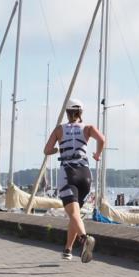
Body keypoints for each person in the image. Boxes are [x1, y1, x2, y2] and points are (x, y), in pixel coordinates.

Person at [43, 99, 105, 262]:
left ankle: (85, 239)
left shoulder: (59, 129)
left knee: (74, 213)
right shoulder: (88, 128)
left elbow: (47, 150)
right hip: (85, 175)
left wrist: (56, 149)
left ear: (67, 112)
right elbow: (102, 139)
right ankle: (68, 249)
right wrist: (97, 155)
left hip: (68, 174)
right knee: (74, 214)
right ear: (81, 112)